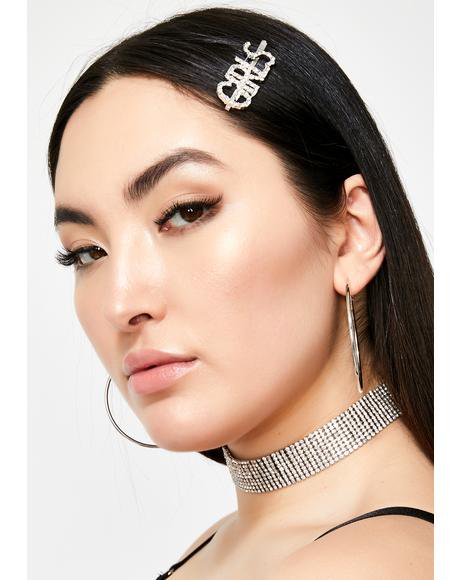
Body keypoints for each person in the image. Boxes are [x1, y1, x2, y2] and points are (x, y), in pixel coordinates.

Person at [49, 6, 433, 579]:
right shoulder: (217, 549)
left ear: (354, 234)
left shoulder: (357, 564)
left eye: (186, 212)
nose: (121, 303)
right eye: (87, 252)